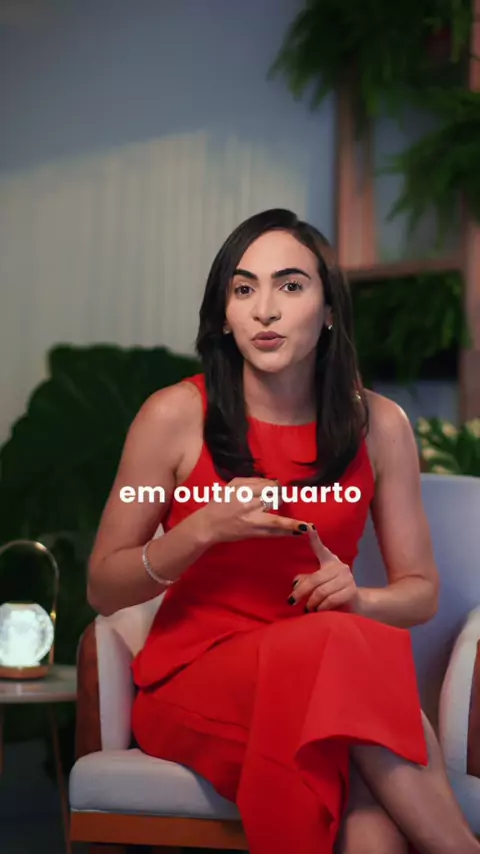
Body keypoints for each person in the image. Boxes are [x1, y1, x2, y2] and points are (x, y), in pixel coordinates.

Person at [87, 209, 479, 854]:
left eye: (290, 286)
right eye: (244, 289)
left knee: (366, 809)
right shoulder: (173, 415)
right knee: (344, 667)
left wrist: (358, 599)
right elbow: (104, 587)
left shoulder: (381, 426)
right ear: (223, 315)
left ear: (328, 311)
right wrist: (203, 528)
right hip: (198, 680)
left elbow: (420, 591)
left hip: (329, 674)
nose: (264, 309)